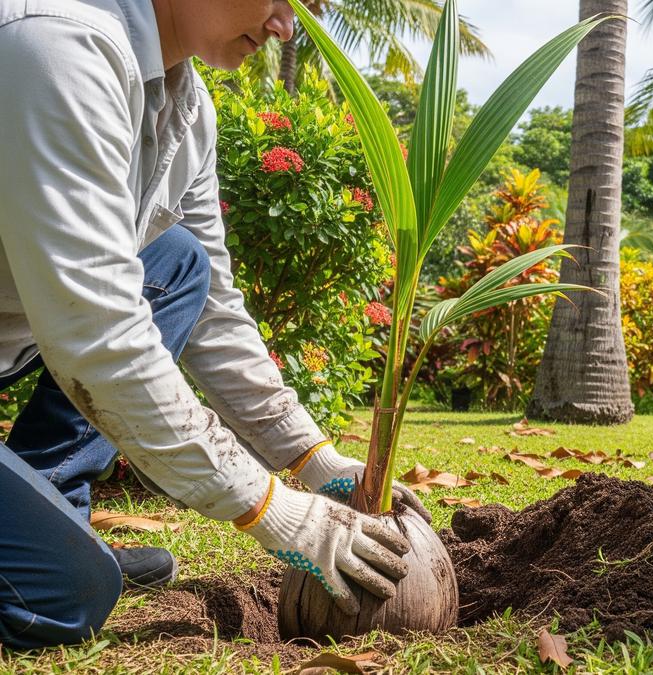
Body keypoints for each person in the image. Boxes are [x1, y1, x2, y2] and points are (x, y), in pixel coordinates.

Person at [0, 0, 430, 650]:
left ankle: (51, 513)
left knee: (177, 265)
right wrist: (277, 511)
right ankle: (53, 555)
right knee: (68, 592)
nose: (288, 26)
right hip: (60, 327)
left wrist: (315, 461)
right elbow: (99, 334)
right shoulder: (57, 51)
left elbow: (213, 309)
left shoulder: (185, 108)